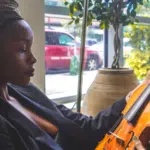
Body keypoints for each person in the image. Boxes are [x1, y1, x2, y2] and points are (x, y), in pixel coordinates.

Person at [0, 0, 146, 150]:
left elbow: (86, 127)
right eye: (22, 49)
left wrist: (135, 95)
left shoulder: (25, 91)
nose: (33, 58)